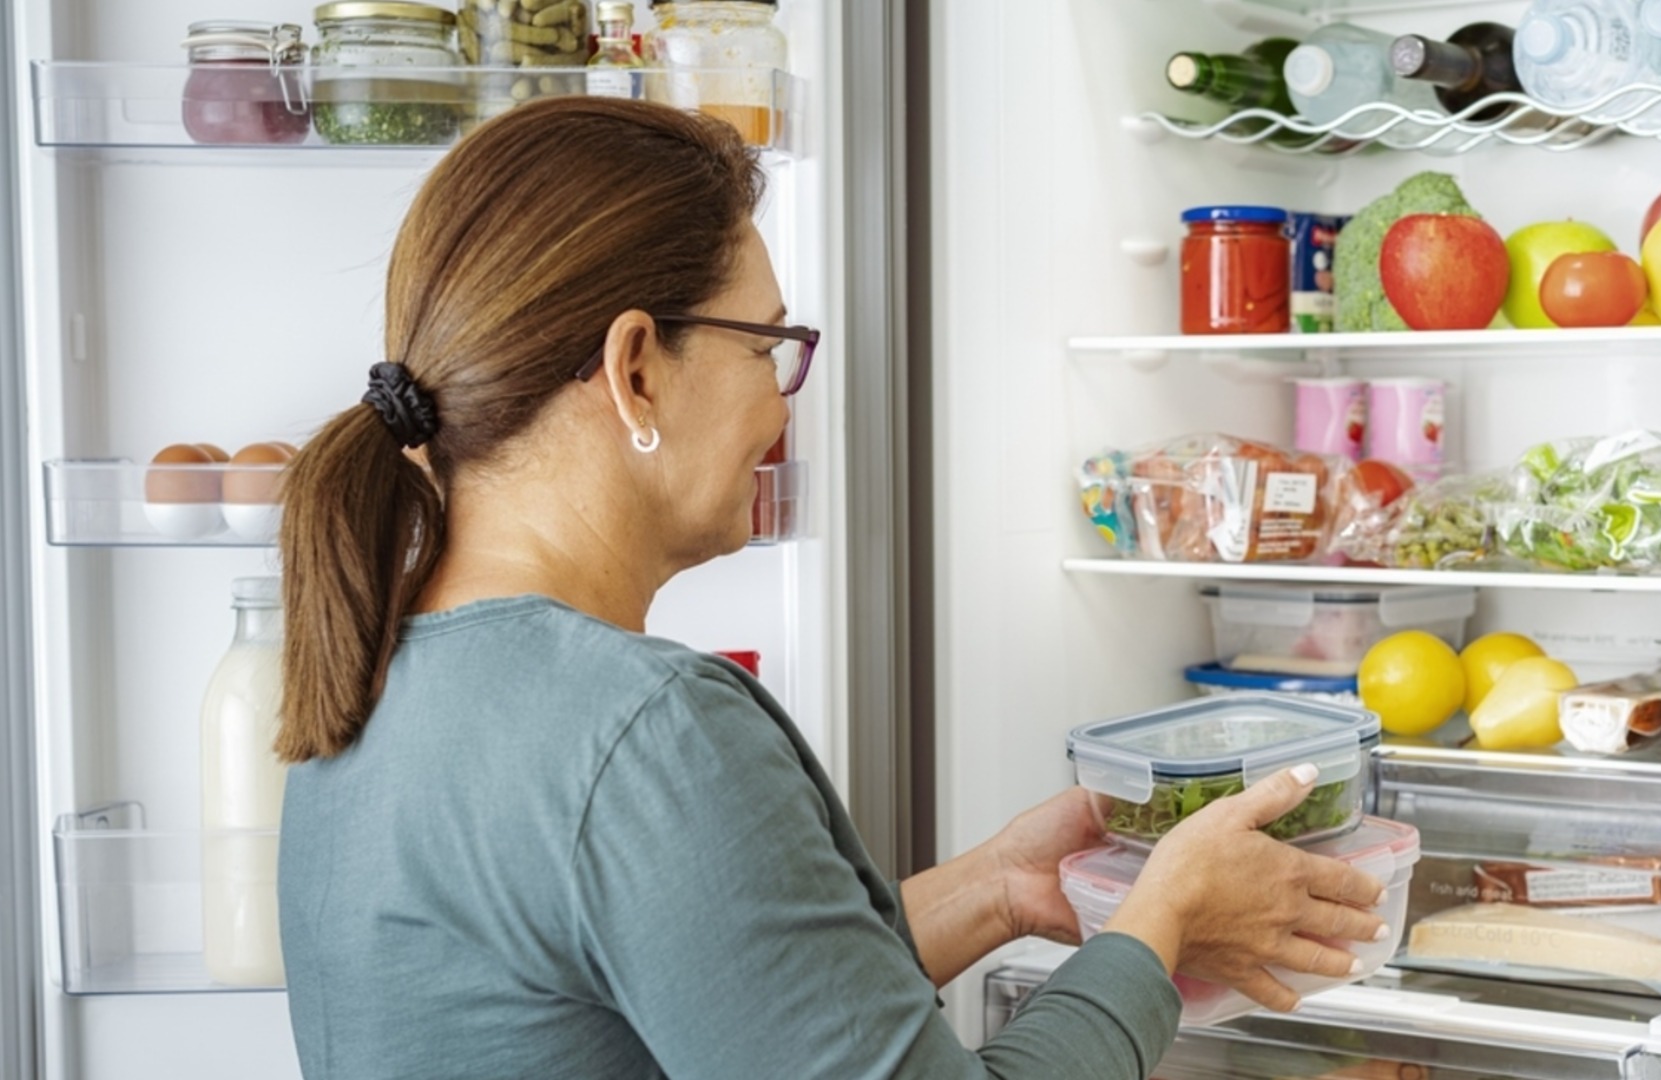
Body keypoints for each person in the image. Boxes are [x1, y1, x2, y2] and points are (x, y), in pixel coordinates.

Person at [273, 97, 1388, 1080]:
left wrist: (995, 889)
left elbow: (726, 1003)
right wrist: (1159, 925)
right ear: (635, 368)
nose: (782, 406)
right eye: (767, 347)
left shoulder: (374, 672)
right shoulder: (645, 733)